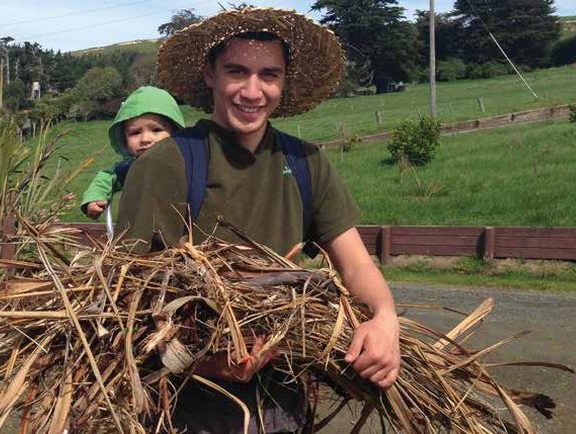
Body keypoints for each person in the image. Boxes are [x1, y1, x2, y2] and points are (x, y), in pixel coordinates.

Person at [116, 8, 400, 433]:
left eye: (269, 74)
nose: (253, 91)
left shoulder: (306, 162)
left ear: (284, 81)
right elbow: (124, 299)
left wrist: (384, 317)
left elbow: (356, 263)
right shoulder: (167, 164)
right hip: (183, 411)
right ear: (210, 74)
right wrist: (205, 361)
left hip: (283, 405)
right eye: (237, 71)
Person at [79, 86, 185, 220]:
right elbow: (106, 178)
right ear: (124, 140)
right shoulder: (129, 169)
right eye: (135, 133)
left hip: (188, 234)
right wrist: (95, 198)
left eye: (156, 130)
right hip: (138, 235)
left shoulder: (187, 164)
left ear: (175, 132)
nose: (145, 139)